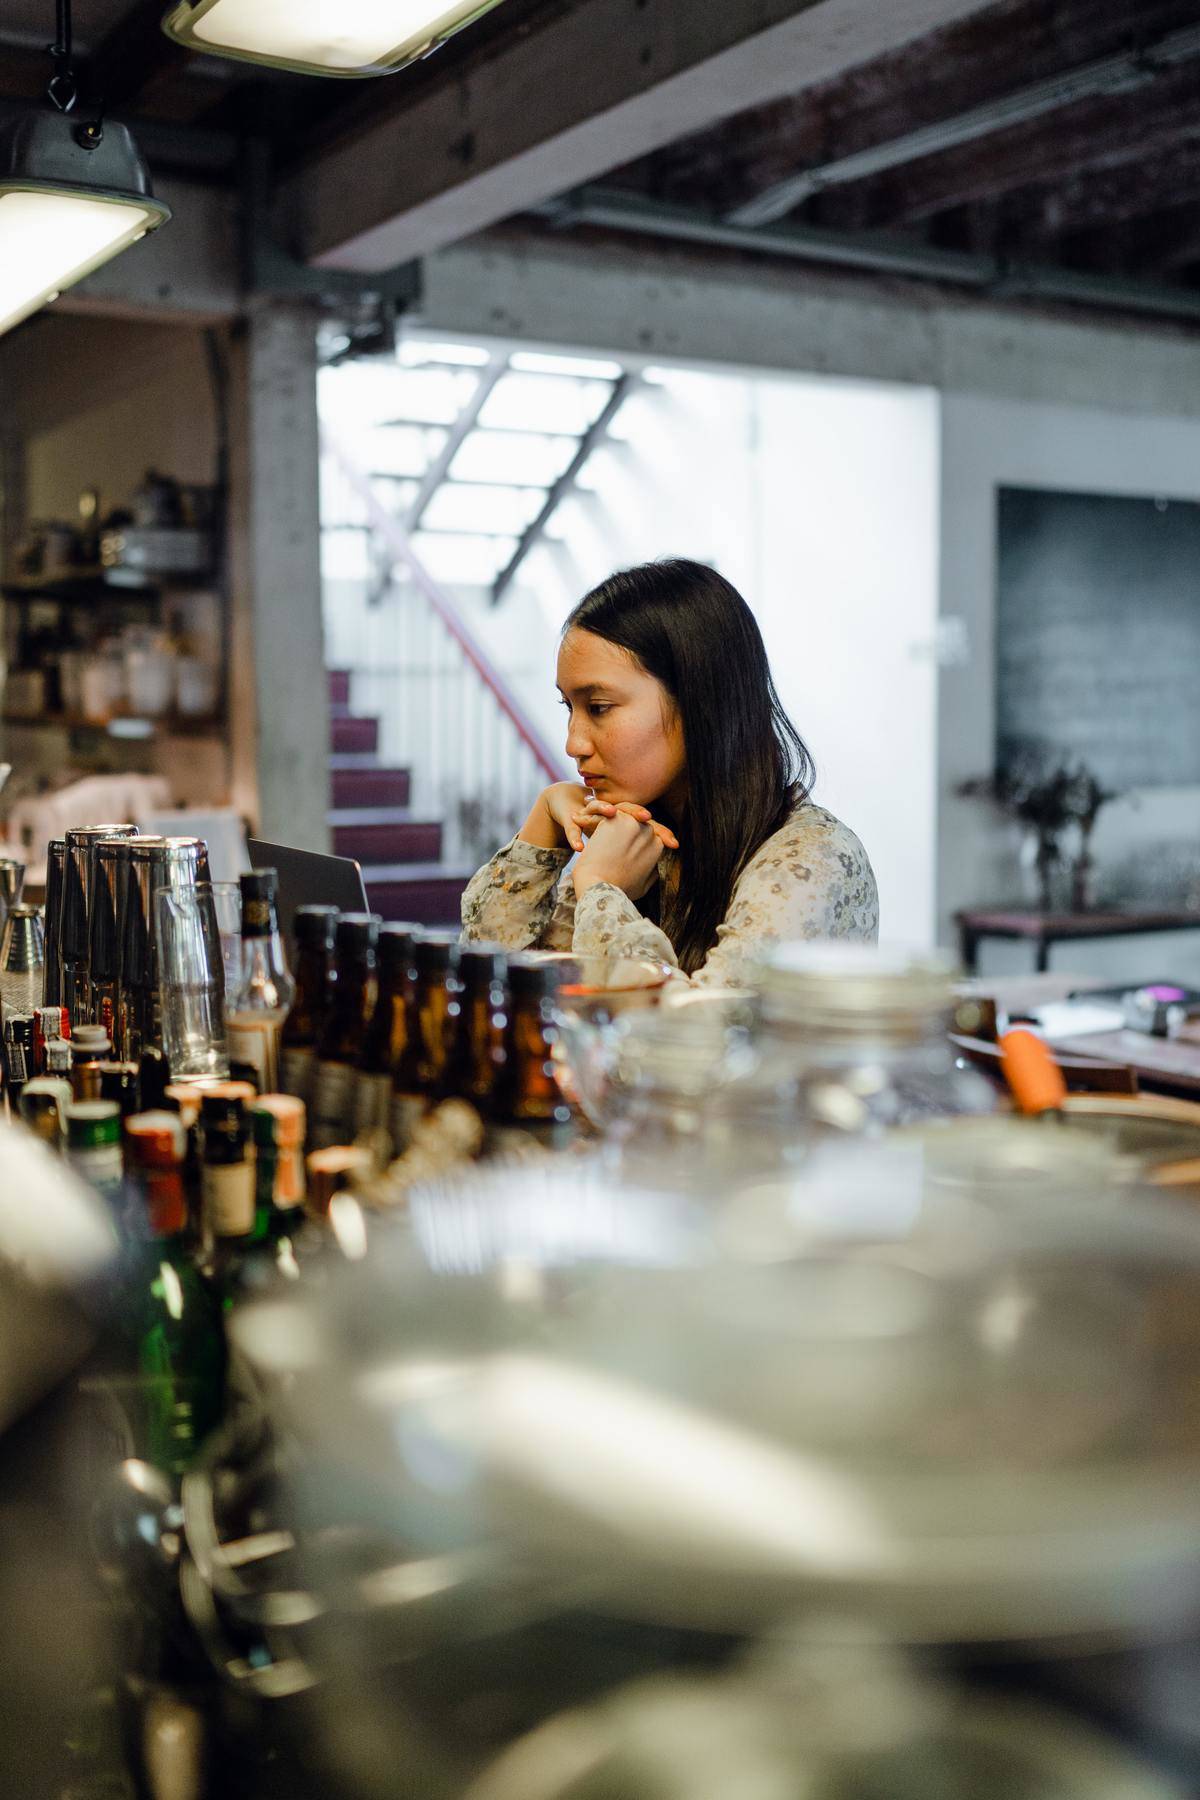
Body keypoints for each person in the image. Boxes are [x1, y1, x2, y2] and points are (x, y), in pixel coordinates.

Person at [461, 560, 878, 984]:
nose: (574, 744)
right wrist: (542, 828)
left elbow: (698, 1035)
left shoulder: (810, 859)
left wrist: (601, 890)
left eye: (599, 708)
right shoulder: (641, 835)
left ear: (699, 702)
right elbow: (496, 987)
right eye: (570, 708)